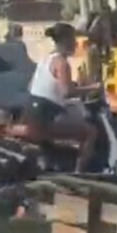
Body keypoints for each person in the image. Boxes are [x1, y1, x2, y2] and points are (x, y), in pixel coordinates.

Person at [24, 22, 98, 173]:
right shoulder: (62, 63)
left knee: (70, 119)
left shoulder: (45, 59)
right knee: (90, 132)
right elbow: (67, 92)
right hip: (45, 118)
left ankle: (58, 161)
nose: (75, 43)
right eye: (73, 39)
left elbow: (31, 86)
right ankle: (80, 173)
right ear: (65, 40)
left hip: (31, 113)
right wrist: (92, 88)